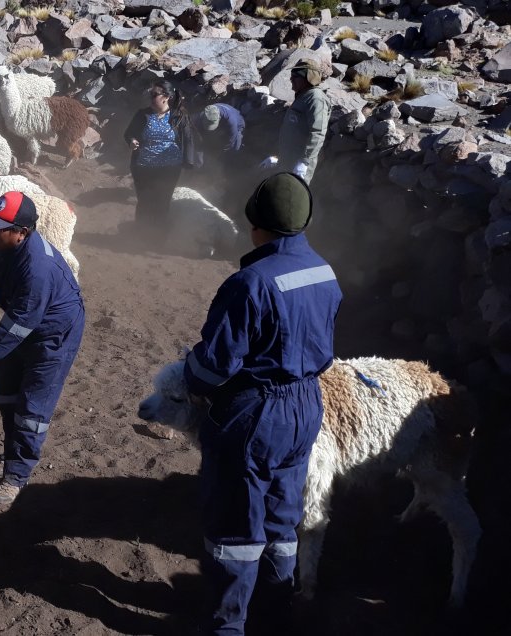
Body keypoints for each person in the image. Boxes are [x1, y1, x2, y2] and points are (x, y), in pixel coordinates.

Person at [183, 173, 342, 635]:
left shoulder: (249, 283)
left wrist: (191, 376)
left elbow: (214, 366)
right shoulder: (325, 272)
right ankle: (276, 610)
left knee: (236, 526)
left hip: (255, 413)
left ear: (257, 224)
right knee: (282, 515)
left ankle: (228, 626)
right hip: (307, 404)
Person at [0, 192, 85, 506]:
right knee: (4, 389)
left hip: (54, 334)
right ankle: (12, 454)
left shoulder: (38, 268)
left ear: (21, 233)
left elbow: (17, 324)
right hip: (21, 324)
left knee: (32, 407)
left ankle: (16, 476)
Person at [123, 80, 202, 245]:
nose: (150, 98)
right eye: (150, 94)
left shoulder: (178, 116)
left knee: (162, 201)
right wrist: (132, 140)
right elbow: (129, 133)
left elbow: (188, 140)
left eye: (154, 95)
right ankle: (140, 234)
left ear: (166, 97)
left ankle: (158, 238)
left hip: (169, 168)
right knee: (144, 200)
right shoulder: (142, 114)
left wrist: (189, 164)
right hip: (143, 167)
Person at [261, 59, 331, 184]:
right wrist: (278, 157)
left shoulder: (316, 98)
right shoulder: (303, 96)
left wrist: (304, 162)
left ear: (308, 78)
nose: (291, 79)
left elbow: (317, 132)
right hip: (287, 159)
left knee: (291, 198)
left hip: (299, 163)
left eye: (295, 76)